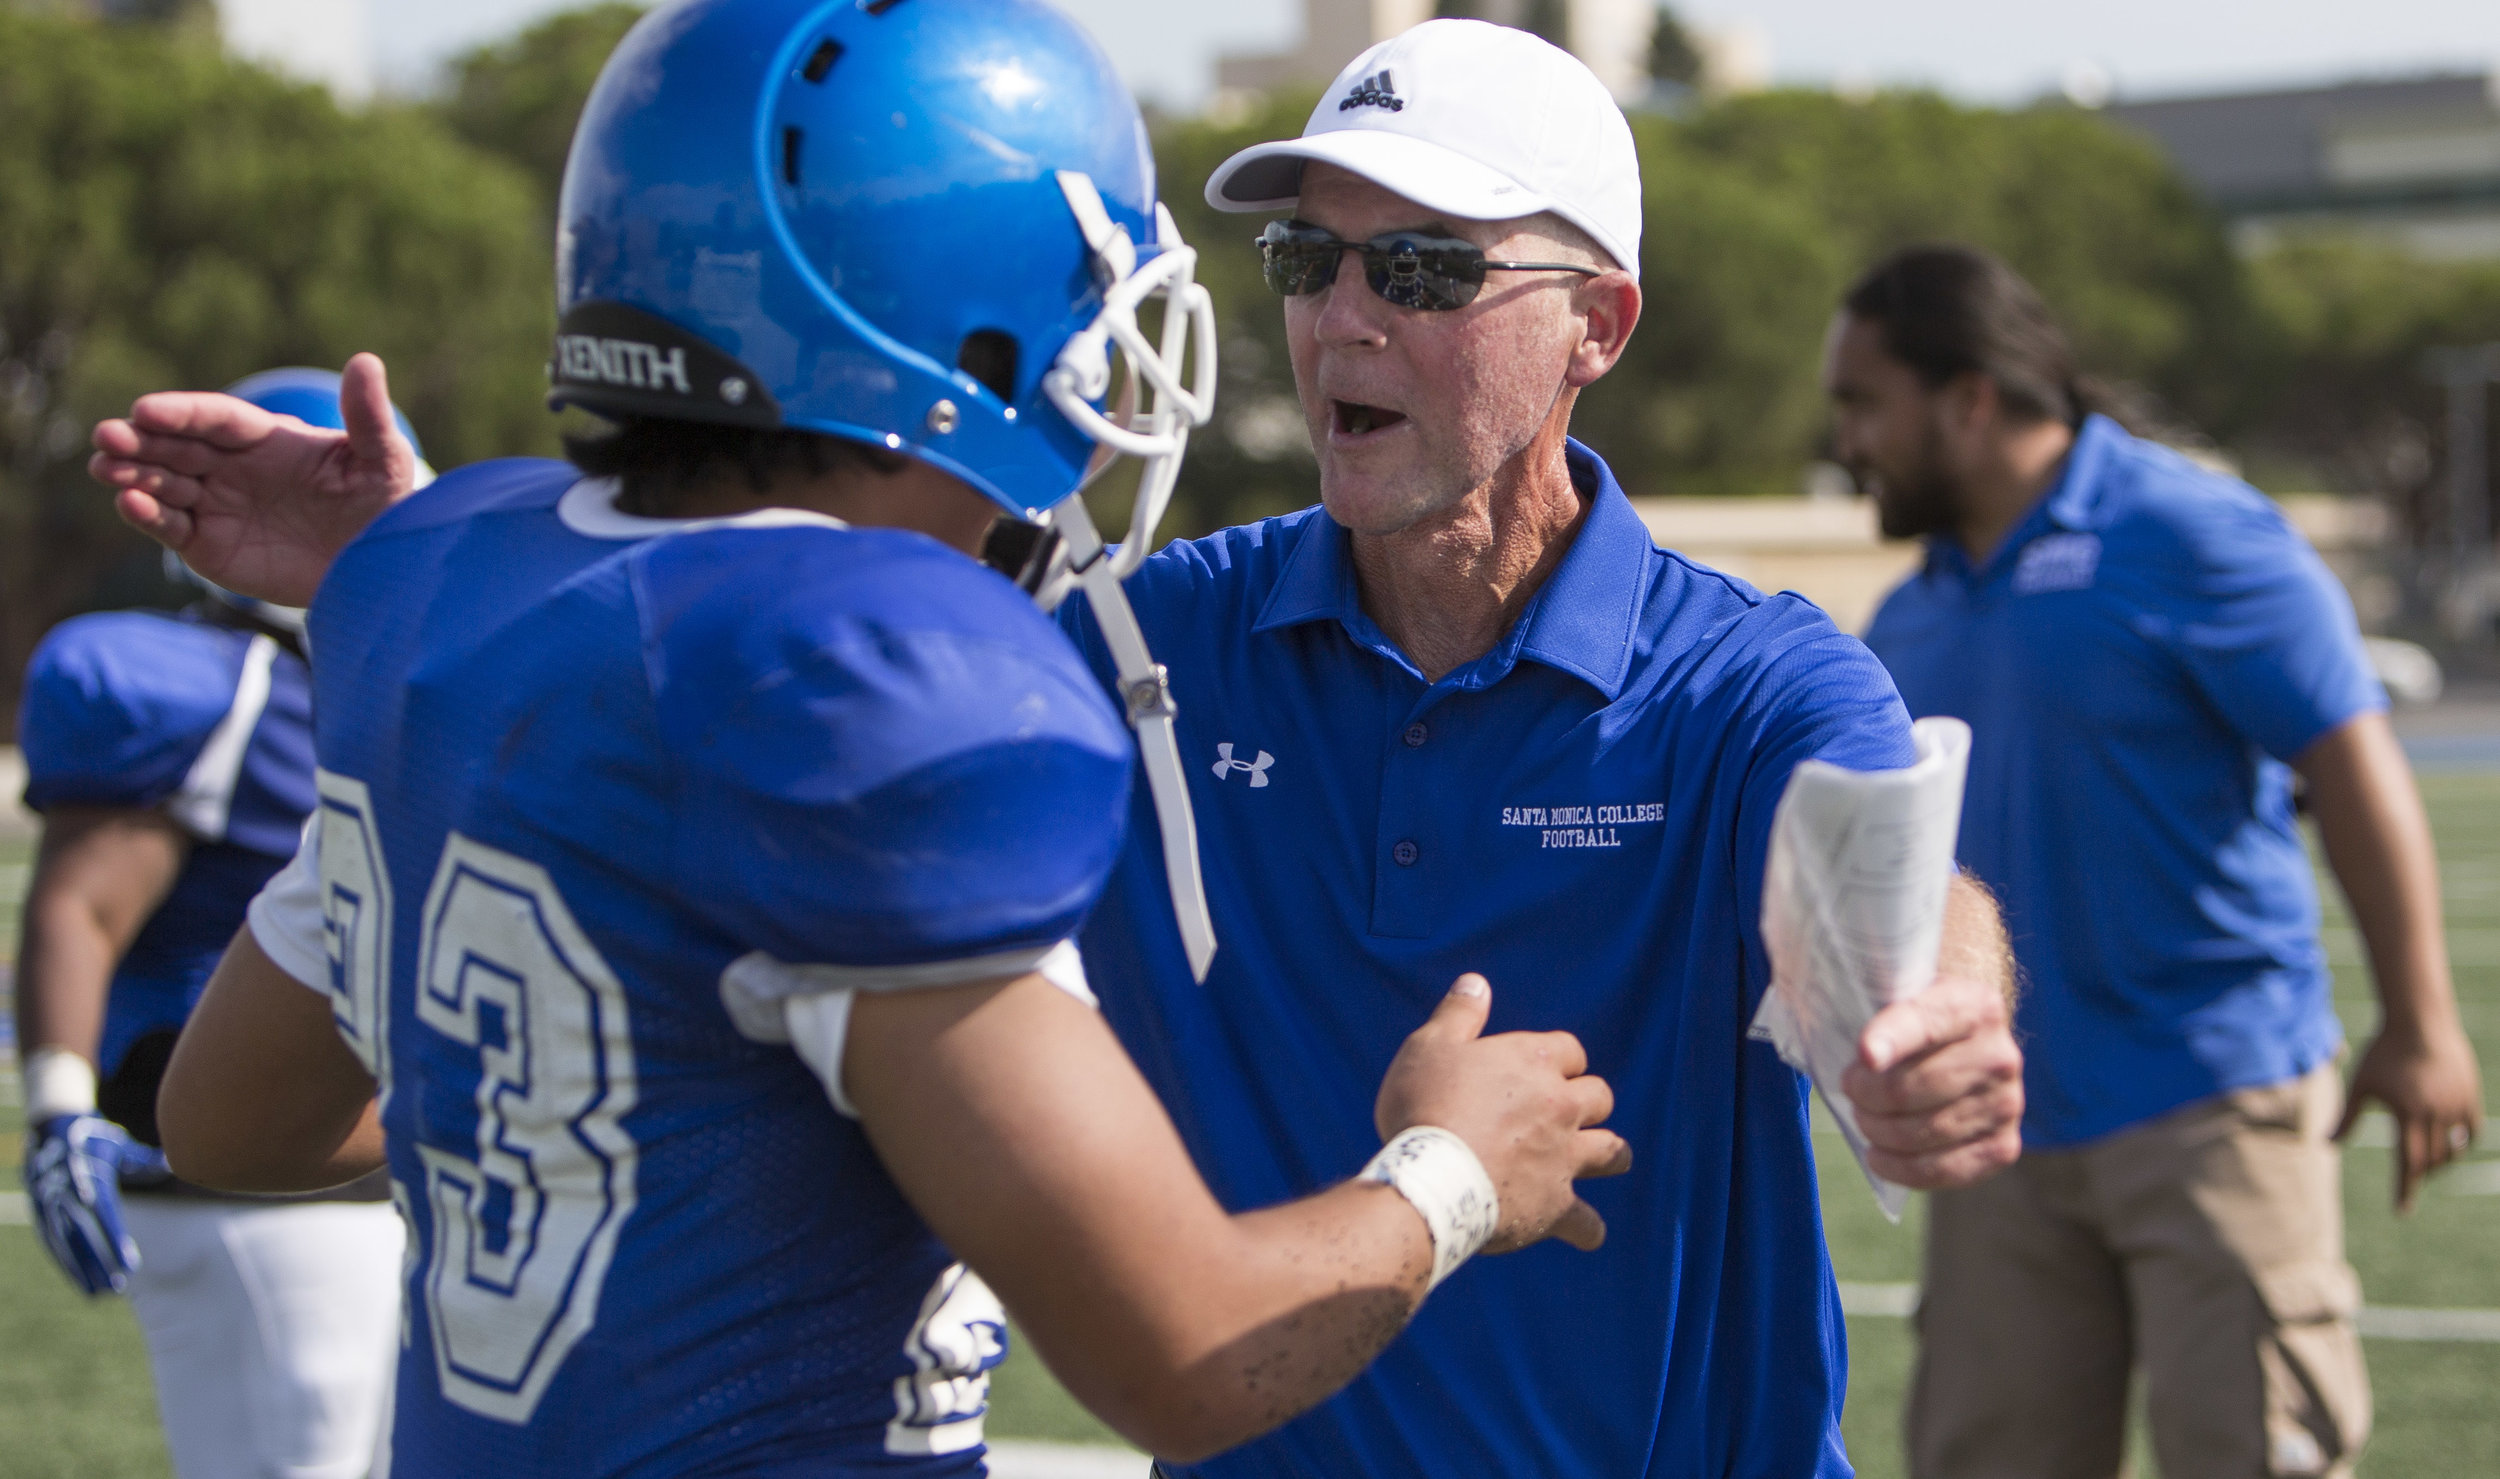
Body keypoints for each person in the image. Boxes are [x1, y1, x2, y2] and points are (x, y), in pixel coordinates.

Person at [86, 3, 1625, 1475]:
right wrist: (1454, 1170)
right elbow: (1192, 1350)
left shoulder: (445, 579)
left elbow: (227, 1117)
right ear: (967, 321)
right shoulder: (866, 686)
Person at [1046, 21, 2024, 1477]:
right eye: (1311, 261)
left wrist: (1932, 1011)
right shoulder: (1144, 649)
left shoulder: (1749, 677)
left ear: (1600, 325)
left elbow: (1890, 878)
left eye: (1425, 267)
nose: (1343, 317)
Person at [1834, 243, 2486, 1479]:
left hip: (2210, 1107)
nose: (1846, 439)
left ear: (1969, 397)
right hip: (2003, 1131)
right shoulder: (1910, 611)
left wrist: (2421, 1022)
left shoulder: (2190, 532)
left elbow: (2350, 761)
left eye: (1863, 401)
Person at [15, 368, 422, 1479]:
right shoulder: (212, 684)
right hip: (246, 1175)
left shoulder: (384, 684)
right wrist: (57, 1111)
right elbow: (81, 900)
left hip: (372, 1166)